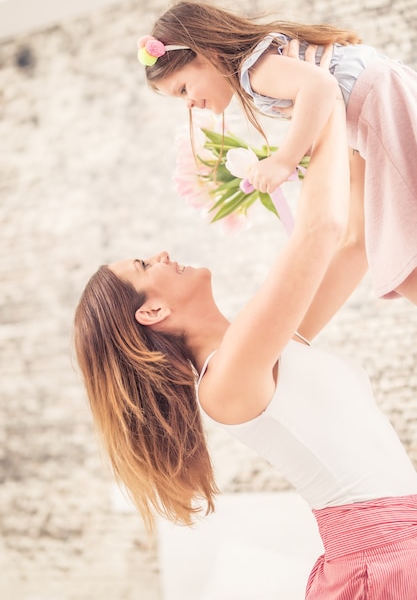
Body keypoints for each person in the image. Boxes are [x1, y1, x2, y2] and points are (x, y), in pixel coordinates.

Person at [74, 99, 417, 598]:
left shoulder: (266, 347)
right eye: (146, 266)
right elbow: (318, 230)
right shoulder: (227, 379)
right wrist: (311, 116)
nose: (162, 254)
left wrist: (353, 120)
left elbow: (355, 244)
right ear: (151, 313)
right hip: (383, 565)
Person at [137, 0, 417, 305]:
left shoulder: (253, 70)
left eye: (183, 89)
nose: (188, 103)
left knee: (398, 255)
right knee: (396, 252)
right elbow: (323, 98)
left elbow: (321, 86)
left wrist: (285, 159)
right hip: (385, 103)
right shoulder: (265, 63)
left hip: (384, 109)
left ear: (208, 54)